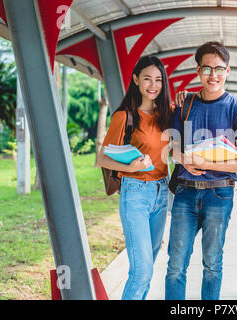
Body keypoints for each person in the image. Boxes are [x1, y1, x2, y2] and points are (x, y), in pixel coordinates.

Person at [165, 41, 237, 300]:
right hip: (185, 192)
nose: (213, 75)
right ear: (197, 70)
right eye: (207, 68)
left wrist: (205, 165)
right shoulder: (185, 104)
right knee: (175, 266)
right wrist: (186, 160)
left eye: (219, 68)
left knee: (212, 265)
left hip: (220, 194)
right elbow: (173, 149)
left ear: (228, 71)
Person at [97, 55, 173, 300]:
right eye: (147, 78)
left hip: (161, 194)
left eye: (158, 79)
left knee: (148, 266)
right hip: (136, 193)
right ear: (136, 80)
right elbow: (102, 158)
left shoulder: (167, 114)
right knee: (141, 271)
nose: (153, 85)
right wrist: (130, 168)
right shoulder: (124, 116)